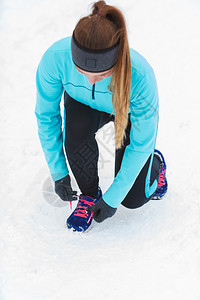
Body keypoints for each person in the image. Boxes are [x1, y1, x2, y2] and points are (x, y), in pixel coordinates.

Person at [35, 0, 168, 232]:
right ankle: (89, 194)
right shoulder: (55, 58)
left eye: (102, 74)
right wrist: (58, 172)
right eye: (80, 72)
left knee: (133, 200)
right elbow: (46, 116)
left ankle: (154, 165)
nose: (89, 80)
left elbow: (140, 143)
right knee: (75, 131)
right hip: (82, 106)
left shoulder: (140, 76)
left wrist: (113, 199)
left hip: (123, 110)